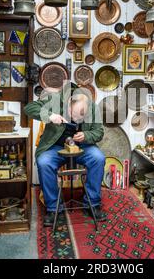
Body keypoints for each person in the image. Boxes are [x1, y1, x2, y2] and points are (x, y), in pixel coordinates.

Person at [24, 84, 106, 226]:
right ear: (68, 104)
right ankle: (54, 208)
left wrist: (86, 135)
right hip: (55, 147)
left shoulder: (91, 106)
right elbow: (29, 108)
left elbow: (99, 132)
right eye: (74, 116)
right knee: (44, 162)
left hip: (81, 147)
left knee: (98, 158)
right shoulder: (55, 101)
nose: (78, 120)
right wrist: (49, 115)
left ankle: (92, 204)